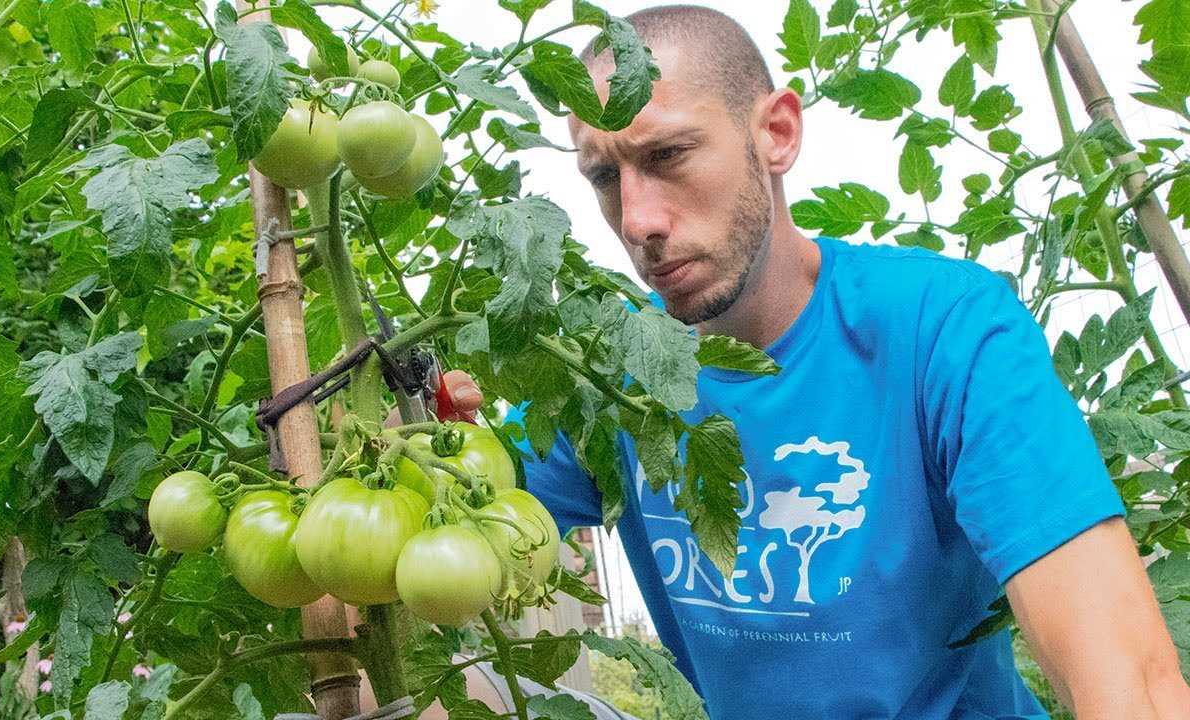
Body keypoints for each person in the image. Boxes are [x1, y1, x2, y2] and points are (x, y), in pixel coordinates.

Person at [431, 5, 1190, 719]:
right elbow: (461, 526)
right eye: (603, 175)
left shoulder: (942, 332)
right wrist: (438, 432)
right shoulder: (601, 373)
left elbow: (1126, 676)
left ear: (778, 133)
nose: (637, 221)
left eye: (668, 155)